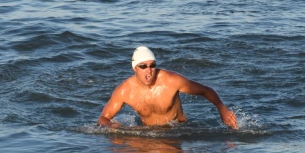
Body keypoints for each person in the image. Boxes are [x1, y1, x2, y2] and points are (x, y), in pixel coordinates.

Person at [97, 46, 238, 130]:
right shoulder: (125, 91)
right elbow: (103, 118)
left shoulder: (171, 81)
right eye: (143, 66)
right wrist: (112, 127)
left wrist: (222, 108)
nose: (149, 70)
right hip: (147, 133)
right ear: (135, 68)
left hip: (178, 130)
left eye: (152, 65)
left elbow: (205, 90)